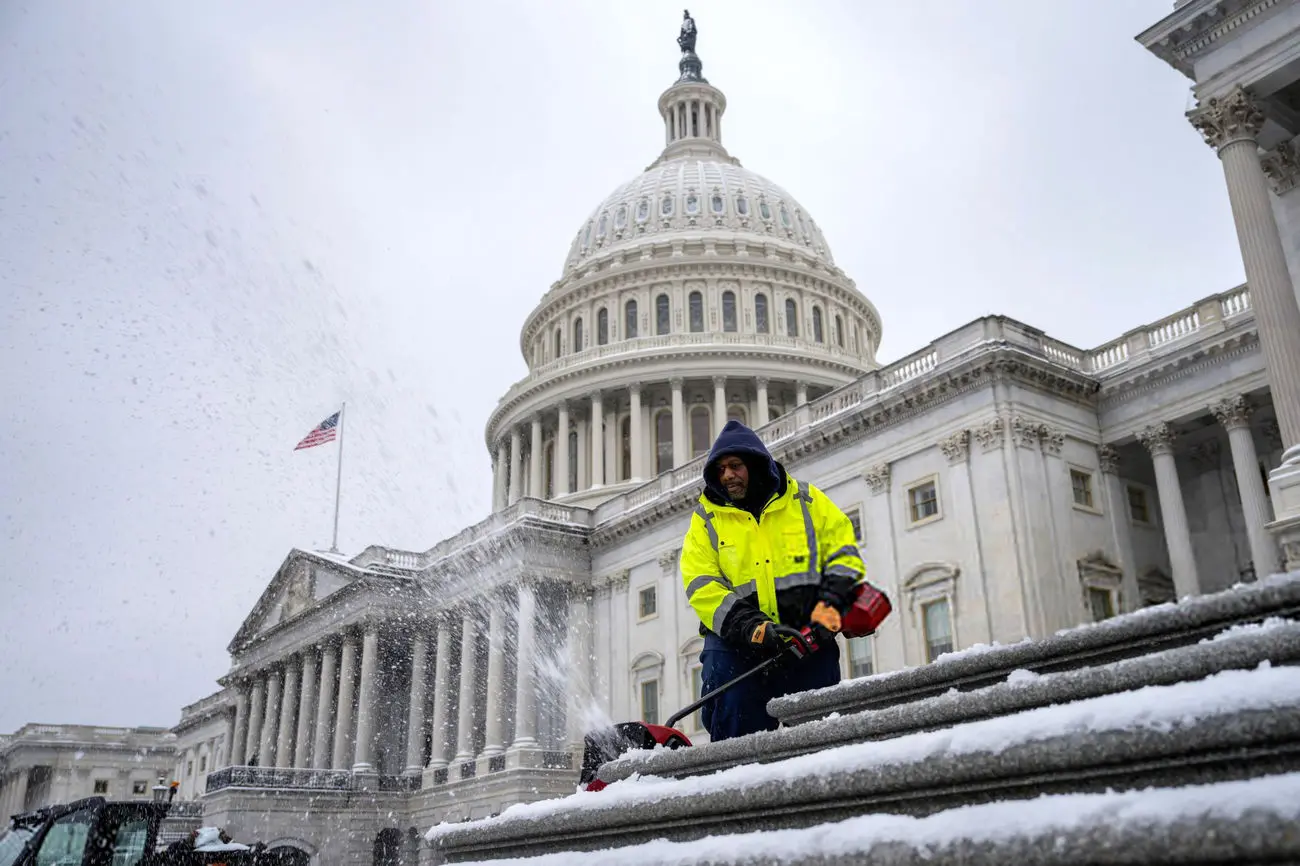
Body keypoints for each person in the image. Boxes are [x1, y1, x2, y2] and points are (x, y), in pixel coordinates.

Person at [680, 419, 867, 741]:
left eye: (735, 466)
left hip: (806, 635)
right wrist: (752, 627)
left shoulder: (808, 502)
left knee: (817, 731)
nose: (727, 475)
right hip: (737, 644)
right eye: (721, 469)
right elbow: (701, 584)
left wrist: (828, 613)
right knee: (735, 727)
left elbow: (844, 560)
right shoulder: (706, 520)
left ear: (754, 464)